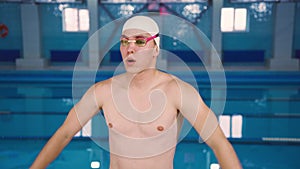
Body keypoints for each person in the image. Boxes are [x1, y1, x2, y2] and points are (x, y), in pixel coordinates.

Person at [30, 15, 242, 169]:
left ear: (156, 49)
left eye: (140, 41)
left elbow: (218, 142)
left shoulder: (178, 92)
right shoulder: (103, 92)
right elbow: (64, 133)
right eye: (124, 42)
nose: (130, 48)